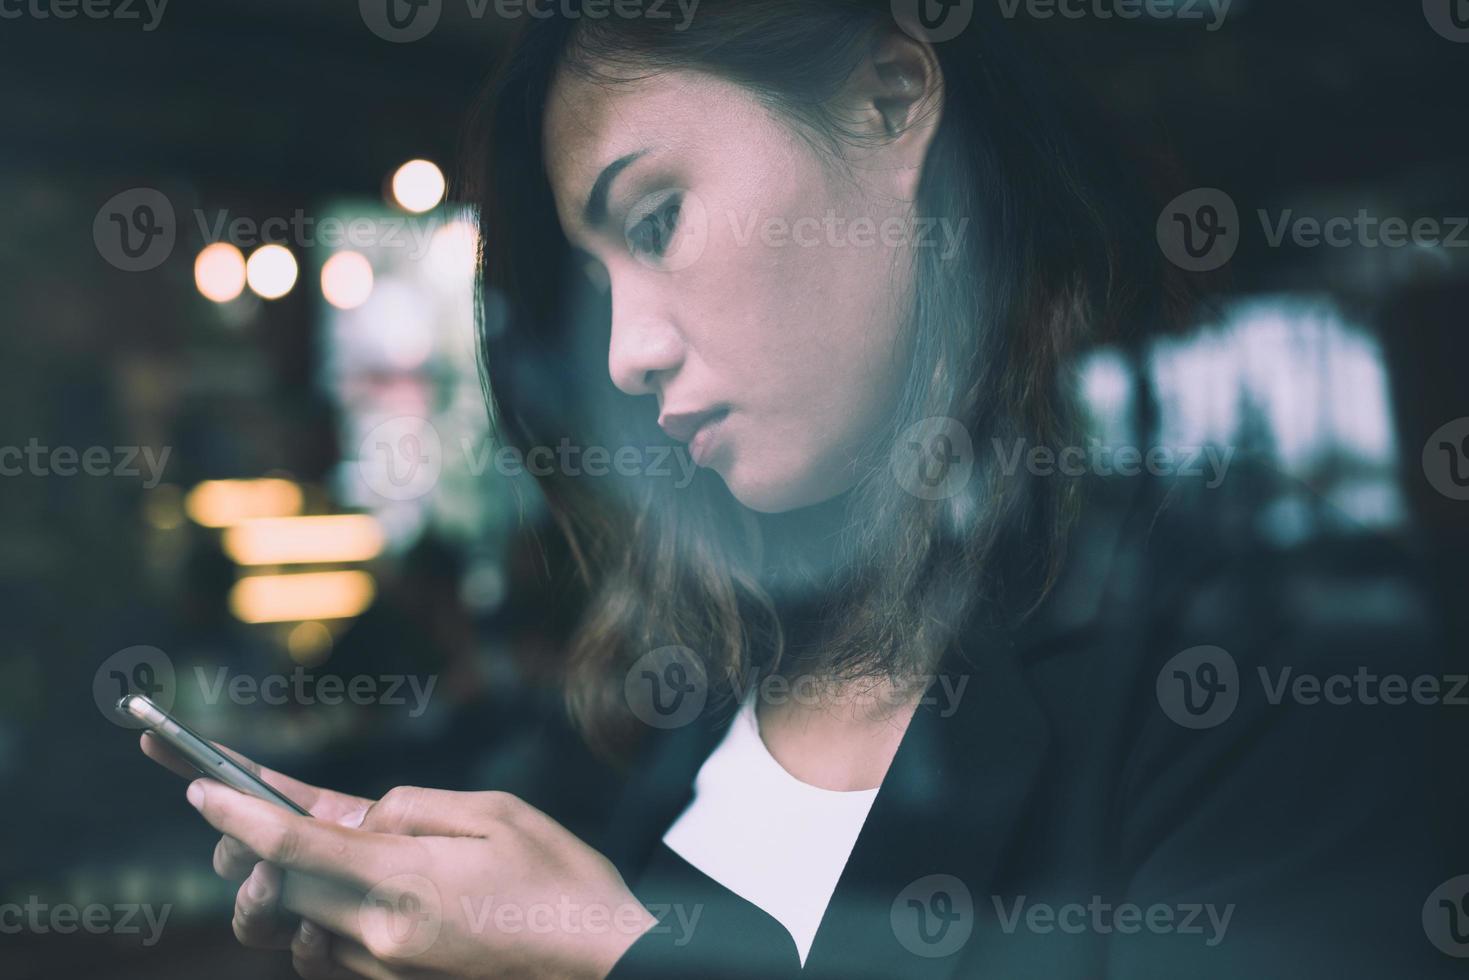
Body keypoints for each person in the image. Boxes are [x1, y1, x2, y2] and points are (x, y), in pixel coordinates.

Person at [142, 1, 1466, 976]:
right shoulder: (700, 710)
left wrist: (606, 956)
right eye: (598, 284)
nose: (626, 350)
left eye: (654, 222)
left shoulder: (1259, 665)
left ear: (889, 101)